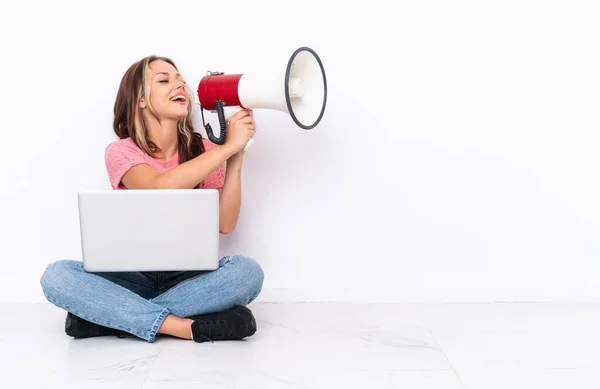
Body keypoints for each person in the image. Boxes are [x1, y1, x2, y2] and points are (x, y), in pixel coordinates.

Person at [39, 55, 264, 343]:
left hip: (189, 277)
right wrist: (225, 148)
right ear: (141, 99)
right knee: (57, 276)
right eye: (164, 80)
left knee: (247, 272)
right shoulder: (121, 152)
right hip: (132, 277)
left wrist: (237, 154)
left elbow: (225, 223)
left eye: (180, 78)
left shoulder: (205, 151)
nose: (179, 84)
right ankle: (183, 326)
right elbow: (159, 187)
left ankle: (109, 320)